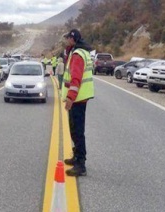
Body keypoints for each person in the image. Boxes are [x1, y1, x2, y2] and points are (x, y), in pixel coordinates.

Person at [62, 29, 94, 177]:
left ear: (72, 39)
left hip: (77, 99)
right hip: (80, 98)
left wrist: (70, 98)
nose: (66, 40)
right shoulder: (79, 52)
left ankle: (81, 164)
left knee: (78, 131)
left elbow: (76, 79)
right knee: (74, 128)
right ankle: (76, 157)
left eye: (68, 38)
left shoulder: (77, 54)